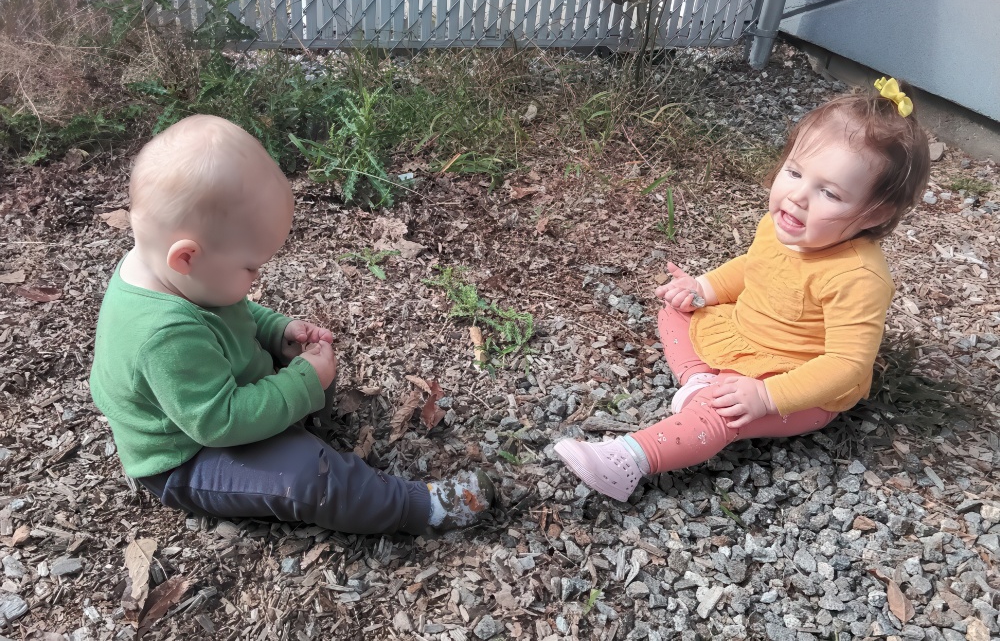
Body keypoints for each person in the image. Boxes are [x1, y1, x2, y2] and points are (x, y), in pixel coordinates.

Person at [90, 115, 493, 533]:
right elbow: (220, 421)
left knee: (303, 370)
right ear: (187, 257)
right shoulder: (162, 335)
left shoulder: (172, 273)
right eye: (251, 266)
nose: (257, 277)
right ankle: (414, 508)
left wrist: (276, 331)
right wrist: (302, 382)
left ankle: (304, 427)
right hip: (191, 456)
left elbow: (232, 312)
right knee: (308, 476)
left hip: (219, 409)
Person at [554, 78, 931, 502]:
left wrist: (767, 396)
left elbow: (845, 365)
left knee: (722, 415)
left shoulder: (857, 276)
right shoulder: (779, 226)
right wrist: (705, 287)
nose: (798, 197)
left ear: (873, 213)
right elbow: (754, 268)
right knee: (676, 308)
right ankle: (698, 380)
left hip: (794, 382)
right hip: (744, 336)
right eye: (794, 172)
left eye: (828, 192)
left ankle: (629, 460)